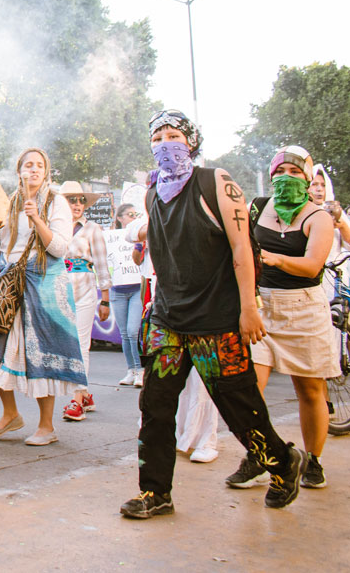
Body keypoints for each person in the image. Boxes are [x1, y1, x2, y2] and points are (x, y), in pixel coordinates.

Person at [120, 110, 306, 519]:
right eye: (158, 138)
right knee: (155, 406)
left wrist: (248, 307)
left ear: (191, 142)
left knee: (239, 405)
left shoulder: (215, 181)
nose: (166, 144)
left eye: (174, 135)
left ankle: (282, 461)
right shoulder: (153, 194)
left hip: (216, 321)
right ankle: (156, 492)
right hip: (168, 321)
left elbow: (243, 248)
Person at [224, 146, 337, 490]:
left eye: (295, 171)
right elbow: (236, 244)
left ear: (307, 177)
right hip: (262, 307)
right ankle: (260, 455)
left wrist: (270, 258)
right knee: (249, 389)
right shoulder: (257, 207)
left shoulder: (319, 217)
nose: (286, 177)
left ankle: (313, 461)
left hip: (304, 308)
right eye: (280, 171)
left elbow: (312, 266)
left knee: (310, 389)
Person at [0, 148, 83, 446]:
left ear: (47, 171)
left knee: (41, 352)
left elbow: (59, 248)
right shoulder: (9, 203)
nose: (33, 170)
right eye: (28, 165)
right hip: (10, 280)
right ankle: (10, 415)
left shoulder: (56, 201)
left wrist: (37, 219)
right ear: (19, 170)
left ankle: (46, 426)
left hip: (43, 280)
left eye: (39, 165)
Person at [58, 181, 111, 422]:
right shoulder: (55, 228)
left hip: (85, 290)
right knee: (65, 345)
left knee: (80, 345)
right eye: (72, 199)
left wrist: (106, 300)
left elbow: (101, 264)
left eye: (81, 200)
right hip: (58, 290)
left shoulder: (92, 229)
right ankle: (86, 393)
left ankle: (77, 399)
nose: (77, 204)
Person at [111, 203, 145, 387]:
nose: (133, 217)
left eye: (135, 214)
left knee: (133, 331)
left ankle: (140, 370)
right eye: (129, 214)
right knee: (124, 333)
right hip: (117, 290)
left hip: (136, 289)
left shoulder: (141, 237)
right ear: (120, 218)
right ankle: (130, 369)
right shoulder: (111, 237)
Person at [309, 164, 350, 301]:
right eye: (314, 184)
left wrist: (342, 225)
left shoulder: (337, 212)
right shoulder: (302, 213)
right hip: (310, 278)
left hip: (335, 277)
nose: (319, 189)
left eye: (323, 185)